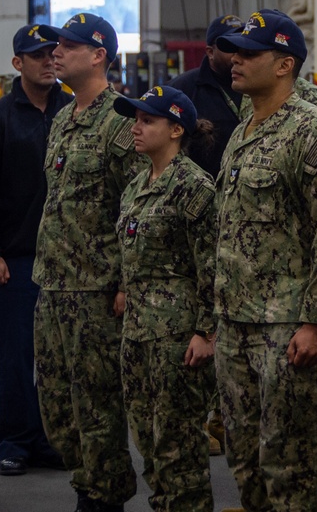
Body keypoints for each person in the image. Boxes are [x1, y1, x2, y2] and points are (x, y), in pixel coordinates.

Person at [212, 9, 317, 511]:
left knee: (292, 469)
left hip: (289, 329)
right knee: (247, 467)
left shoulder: (313, 133)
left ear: (283, 65)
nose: (236, 60)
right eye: (235, 50)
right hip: (237, 326)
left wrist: (316, 321)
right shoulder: (243, 130)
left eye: (249, 53)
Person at [32, 13, 143, 512]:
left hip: (96, 290)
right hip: (53, 283)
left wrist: (125, 282)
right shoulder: (63, 117)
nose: (56, 52)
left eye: (67, 46)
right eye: (55, 45)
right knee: (58, 406)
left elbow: (137, 206)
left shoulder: (123, 120)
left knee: (97, 406)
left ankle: (103, 498)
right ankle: (87, 484)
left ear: (98, 54)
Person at [0, 25, 73, 477]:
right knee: (14, 357)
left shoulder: (73, 111)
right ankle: (14, 442)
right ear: (18, 64)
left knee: (60, 360)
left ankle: (49, 441)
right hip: (17, 259)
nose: (49, 61)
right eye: (38, 55)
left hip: (68, 262)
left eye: (54, 54)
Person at [113, 86, 217, 512]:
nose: (135, 128)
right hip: (138, 336)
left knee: (180, 452)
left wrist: (206, 332)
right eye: (135, 119)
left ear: (176, 130)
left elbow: (212, 266)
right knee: (151, 451)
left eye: (146, 121)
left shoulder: (194, 187)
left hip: (178, 340)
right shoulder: (138, 184)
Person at [167, 13, 244, 457]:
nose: (235, 55)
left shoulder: (251, 86)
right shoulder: (186, 90)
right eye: (225, 47)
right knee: (200, 320)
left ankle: (224, 413)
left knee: (232, 323)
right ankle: (201, 415)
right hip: (198, 217)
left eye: (241, 47)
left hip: (245, 222)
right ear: (209, 49)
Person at [168, 14, 245, 179]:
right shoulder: (182, 90)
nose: (238, 53)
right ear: (210, 52)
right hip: (200, 191)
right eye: (229, 45)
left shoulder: (257, 86)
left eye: (242, 43)